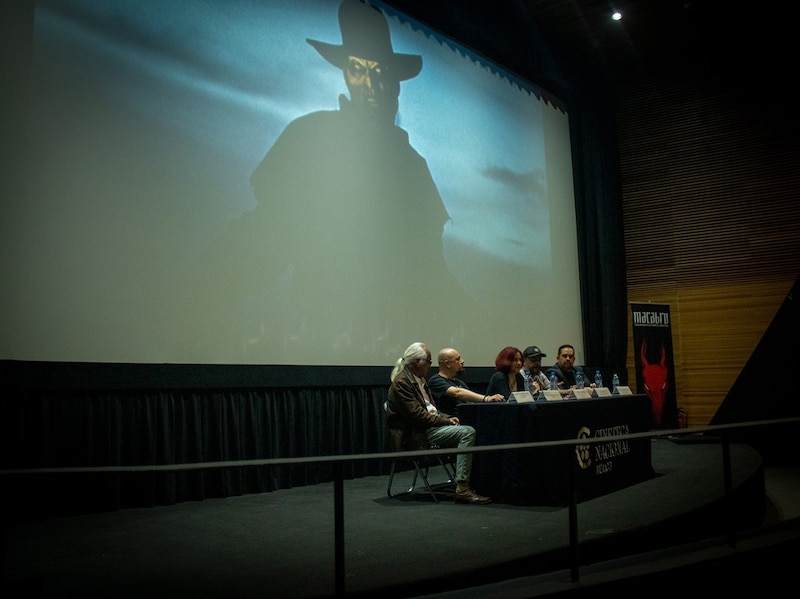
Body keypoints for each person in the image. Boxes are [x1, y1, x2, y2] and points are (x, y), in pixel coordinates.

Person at [192, 0, 470, 362]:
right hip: (327, 342)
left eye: (380, 70)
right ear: (345, 75)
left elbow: (433, 269)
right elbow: (262, 240)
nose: (371, 83)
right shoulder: (310, 136)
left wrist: (467, 314)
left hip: (401, 347)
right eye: (357, 69)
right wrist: (199, 291)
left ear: (396, 84)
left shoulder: (414, 166)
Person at [386, 342, 491, 505]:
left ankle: (477, 481)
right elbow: (418, 416)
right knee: (467, 432)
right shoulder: (402, 383)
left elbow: (431, 409)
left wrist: (447, 417)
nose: (430, 365)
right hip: (417, 434)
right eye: (428, 361)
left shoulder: (419, 380)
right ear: (417, 363)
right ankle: (462, 488)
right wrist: (445, 420)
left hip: (428, 428)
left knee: (469, 427)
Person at [428, 348, 504, 415]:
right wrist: (486, 399)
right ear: (447, 364)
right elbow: (457, 393)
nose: (462, 361)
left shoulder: (459, 383)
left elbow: (470, 401)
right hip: (454, 421)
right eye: (457, 359)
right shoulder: (436, 380)